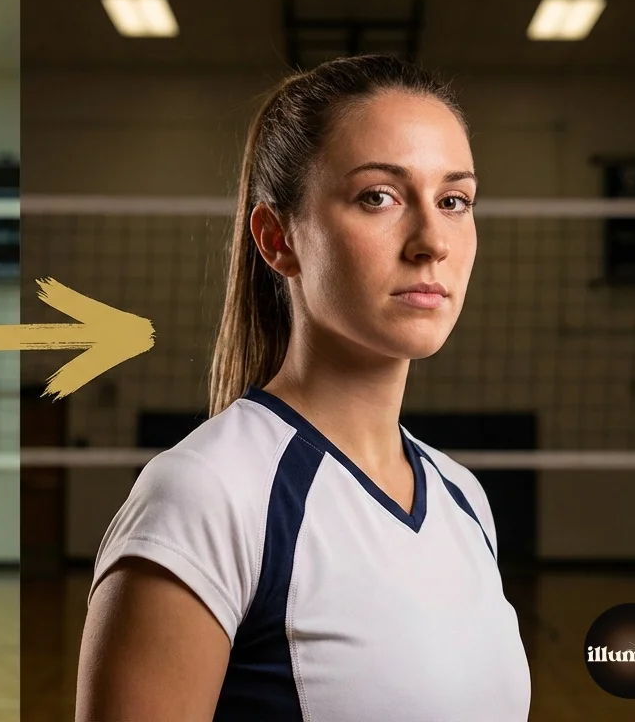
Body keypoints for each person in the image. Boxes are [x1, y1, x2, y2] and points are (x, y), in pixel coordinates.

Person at [76, 54, 531, 721]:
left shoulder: (464, 497)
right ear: (278, 239)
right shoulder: (208, 494)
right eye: (379, 196)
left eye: (454, 200)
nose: (432, 240)